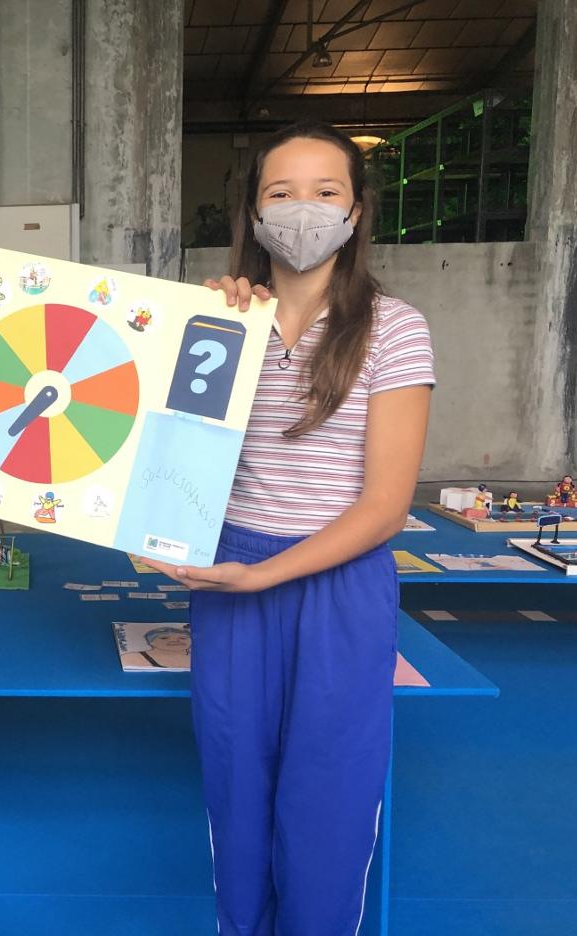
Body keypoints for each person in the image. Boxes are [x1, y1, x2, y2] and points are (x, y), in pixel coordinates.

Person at [145, 121, 435, 935]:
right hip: (233, 573)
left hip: (340, 582)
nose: (302, 209)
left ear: (356, 211)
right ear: (252, 210)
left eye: (325, 191)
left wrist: (268, 576)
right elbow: (166, 457)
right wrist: (156, 529)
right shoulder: (213, 323)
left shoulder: (394, 328)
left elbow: (384, 505)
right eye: (281, 192)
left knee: (329, 800)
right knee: (236, 793)